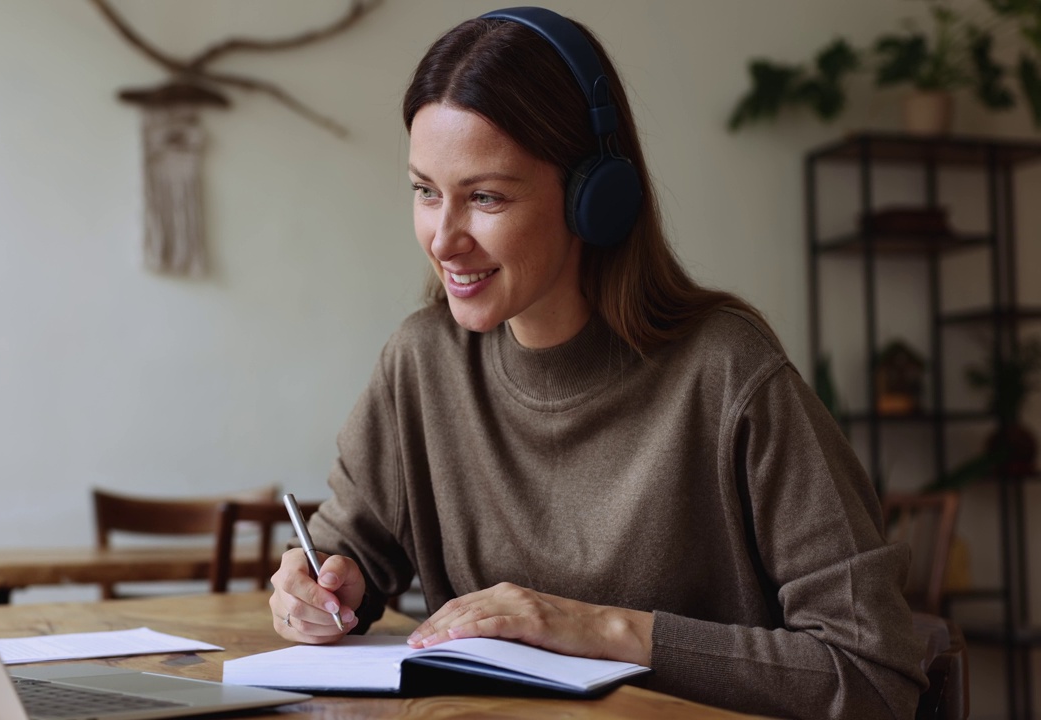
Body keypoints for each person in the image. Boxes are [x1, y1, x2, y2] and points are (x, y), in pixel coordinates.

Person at [268, 7, 927, 719]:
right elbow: (343, 556)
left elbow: (873, 672)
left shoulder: (728, 372)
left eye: (485, 196)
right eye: (426, 192)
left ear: (594, 198)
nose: (443, 239)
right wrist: (317, 593)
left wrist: (600, 630)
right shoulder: (422, 363)